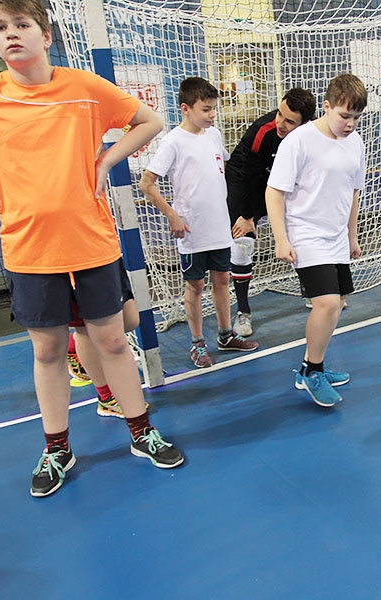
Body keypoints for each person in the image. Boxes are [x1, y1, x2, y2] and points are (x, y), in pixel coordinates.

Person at [0, 0, 184, 497]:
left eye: (21, 25)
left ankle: (140, 430)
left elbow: (148, 121)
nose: (10, 34)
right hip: (29, 247)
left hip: (90, 238)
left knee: (111, 341)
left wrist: (107, 161)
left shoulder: (84, 89)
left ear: (45, 34)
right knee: (47, 350)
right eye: (0, 28)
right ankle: (57, 447)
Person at [139, 76, 258, 369]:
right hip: (191, 230)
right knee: (194, 286)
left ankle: (225, 335)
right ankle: (197, 343)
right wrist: (172, 215)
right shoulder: (172, 142)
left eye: (213, 108)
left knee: (222, 280)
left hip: (219, 226)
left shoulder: (214, 135)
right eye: (205, 109)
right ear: (185, 108)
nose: (211, 115)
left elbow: (221, 170)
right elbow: (146, 183)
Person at [265, 73, 366, 407]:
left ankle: (309, 365)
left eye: (356, 117)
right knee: (325, 303)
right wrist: (281, 238)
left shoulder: (356, 143)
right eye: (344, 116)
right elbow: (274, 191)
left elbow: (353, 193)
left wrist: (352, 235)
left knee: (335, 305)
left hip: (337, 236)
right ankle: (313, 372)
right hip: (306, 234)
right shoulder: (299, 141)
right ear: (326, 107)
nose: (350, 124)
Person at [225, 88, 317, 337]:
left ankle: (311, 289)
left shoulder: (311, 136)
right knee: (242, 242)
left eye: (289, 121)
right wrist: (247, 216)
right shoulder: (263, 131)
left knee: (299, 230)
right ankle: (243, 312)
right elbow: (249, 177)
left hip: (278, 182)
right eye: (279, 114)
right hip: (243, 181)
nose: (280, 123)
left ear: (304, 124)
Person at [67, 268, 150, 418]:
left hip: (104, 254)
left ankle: (72, 345)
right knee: (85, 328)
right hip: (73, 263)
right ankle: (106, 397)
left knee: (130, 320)